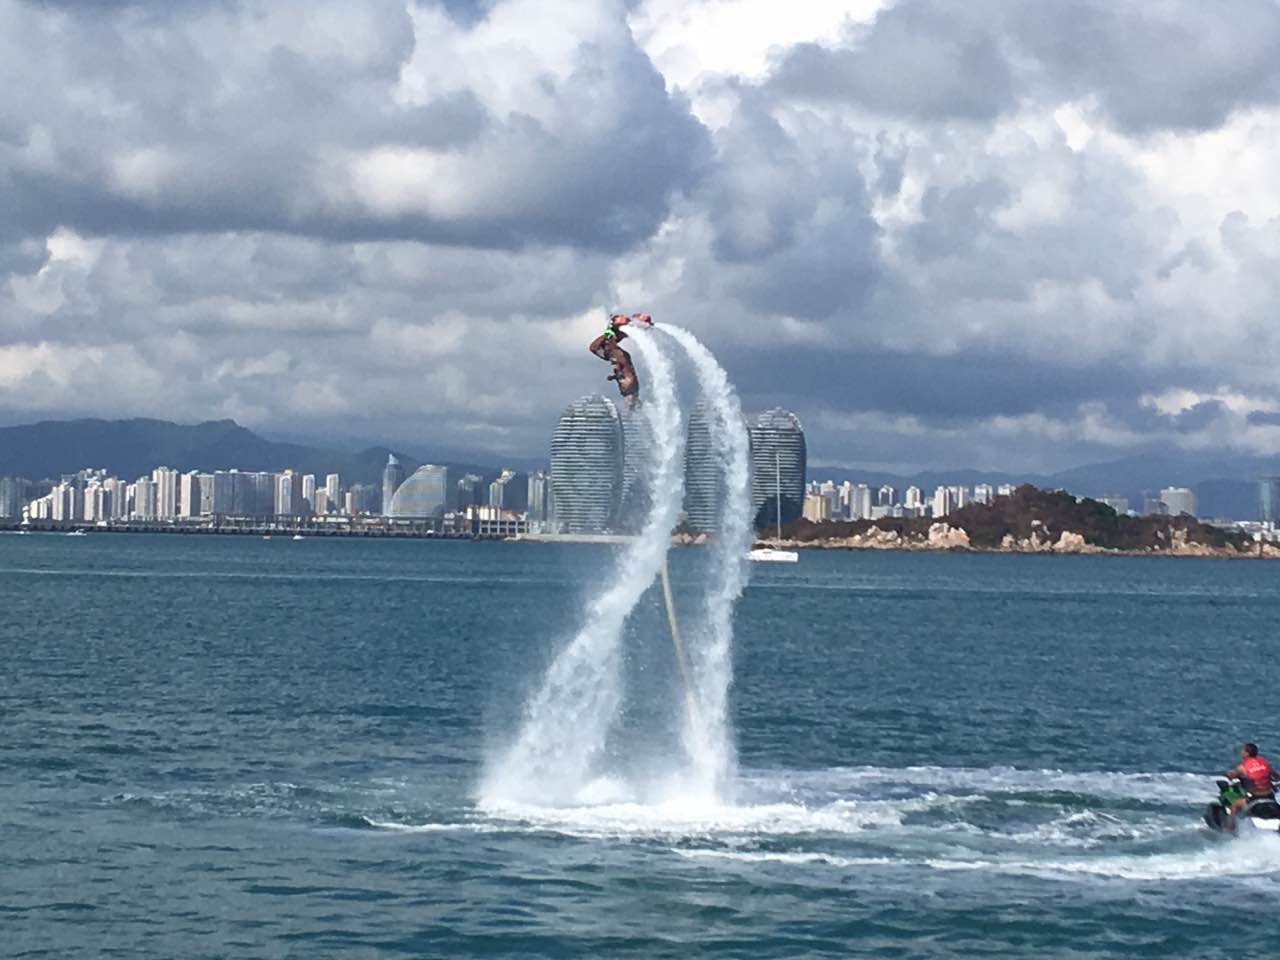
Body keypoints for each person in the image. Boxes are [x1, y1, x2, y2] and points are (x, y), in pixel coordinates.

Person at [588, 313, 652, 406]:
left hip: (613, 355)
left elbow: (595, 347)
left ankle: (632, 400)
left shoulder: (616, 352)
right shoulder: (615, 353)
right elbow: (594, 347)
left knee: (620, 356)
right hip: (614, 356)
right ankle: (632, 400)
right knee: (619, 356)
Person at [1225, 742, 1278, 817]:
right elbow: (1276, 777)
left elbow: (1232, 776)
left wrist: (1227, 774)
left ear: (1247, 753)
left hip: (1255, 797)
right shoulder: (1265, 764)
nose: (1241, 752)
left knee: (1235, 804)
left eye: (1243, 751)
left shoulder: (1242, 767)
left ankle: (1228, 828)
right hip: (1269, 796)